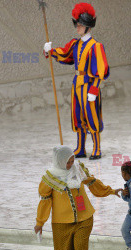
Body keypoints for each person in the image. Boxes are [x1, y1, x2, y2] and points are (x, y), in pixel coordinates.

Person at [34, 146, 121, 250]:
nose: (71, 164)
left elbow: (93, 183)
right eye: (68, 162)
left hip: (84, 219)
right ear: (59, 161)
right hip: (61, 223)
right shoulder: (49, 178)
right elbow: (45, 201)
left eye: (72, 160)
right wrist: (40, 222)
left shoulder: (78, 170)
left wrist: (111, 191)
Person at [44, 3, 109, 160]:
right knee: (78, 115)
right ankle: (80, 147)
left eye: (80, 25)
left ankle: (97, 148)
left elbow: (100, 70)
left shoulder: (96, 46)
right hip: (77, 84)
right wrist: (50, 51)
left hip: (89, 85)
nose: (77, 27)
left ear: (88, 26)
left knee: (92, 116)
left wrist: (94, 90)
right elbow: (66, 55)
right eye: (77, 24)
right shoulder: (75, 43)